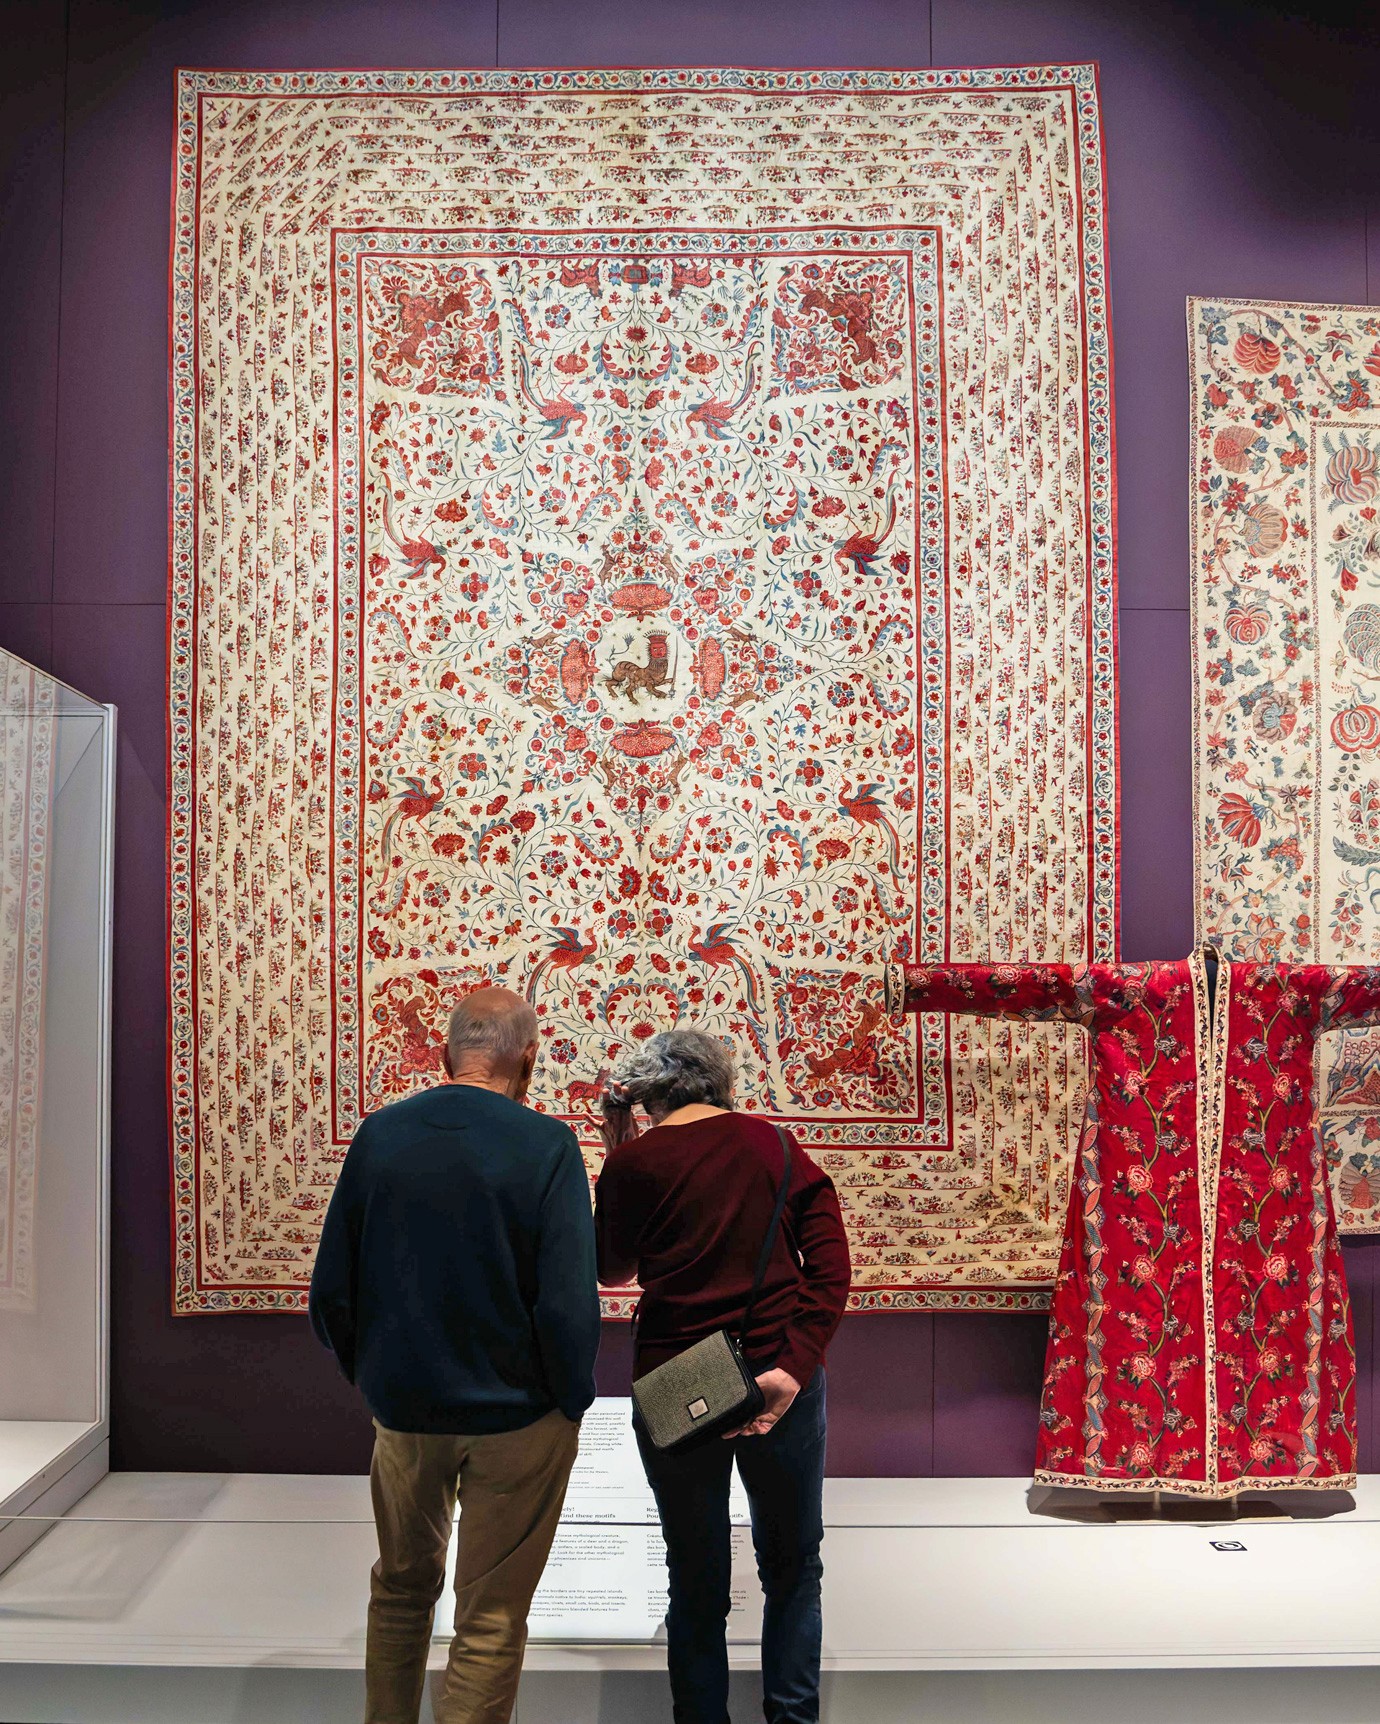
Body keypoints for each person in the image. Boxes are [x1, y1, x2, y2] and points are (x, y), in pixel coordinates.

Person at [310, 986, 600, 1724]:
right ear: (528, 1058)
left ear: (446, 1054)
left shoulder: (380, 1136)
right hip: (519, 1418)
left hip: (406, 1411)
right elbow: (567, 1302)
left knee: (400, 1592)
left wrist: (373, 1376)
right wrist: (570, 1400)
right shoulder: (548, 1145)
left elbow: (331, 1291)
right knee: (491, 1616)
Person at [594, 1029, 851, 1724]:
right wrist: (791, 1370)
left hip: (676, 1385)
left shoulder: (635, 1161)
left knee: (694, 1576)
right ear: (721, 1082)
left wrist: (618, 1152)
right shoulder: (776, 1146)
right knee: (793, 1569)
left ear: (648, 1096)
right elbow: (830, 1268)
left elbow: (611, 1269)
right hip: (778, 1374)